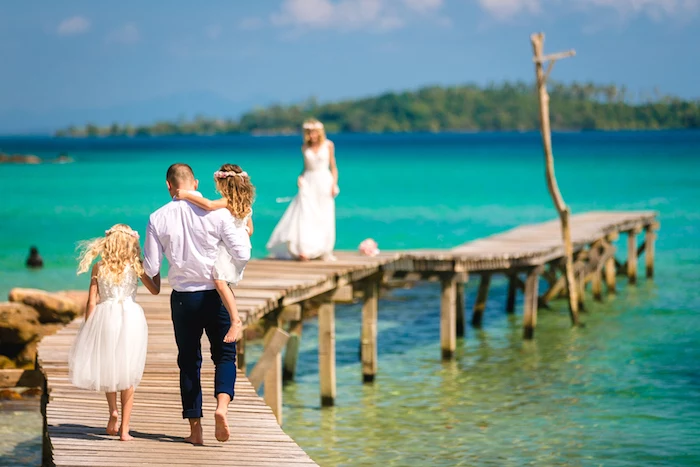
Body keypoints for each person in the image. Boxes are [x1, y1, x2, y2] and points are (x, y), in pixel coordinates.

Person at [144, 163, 251, 445]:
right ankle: (222, 408)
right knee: (225, 356)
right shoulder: (218, 214)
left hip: (183, 299)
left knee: (189, 363)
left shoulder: (157, 218)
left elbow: (152, 266)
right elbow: (241, 252)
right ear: (196, 182)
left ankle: (195, 431)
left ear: (169, 186)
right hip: (216, 296)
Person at [69, 224, 161, 441]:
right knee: (128, 372)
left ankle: (113, 412)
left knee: (109, 367)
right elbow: (155, 290)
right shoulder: (136, 267)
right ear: (131, 244)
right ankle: (125, 430)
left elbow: (92, 301)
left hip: (105, 317)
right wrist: (156, 271)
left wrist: (89, 326)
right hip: (131, 317)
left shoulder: (99, 268)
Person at [176, 163, 255, 344]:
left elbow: (209, 205)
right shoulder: (246, 205)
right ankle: (231, 313)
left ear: (223, 184)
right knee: (224, 282)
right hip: (244, 247)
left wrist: (186, 195)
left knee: (219, 282)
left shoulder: (227, 202)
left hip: (231, 249)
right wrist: (239, 232)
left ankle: (235, 320)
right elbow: (250, 229)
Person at [266, 118, 339, 261]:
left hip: (324, 181)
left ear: (319, 132)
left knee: (324, 215)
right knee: (306, 215)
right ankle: (305, 249)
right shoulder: (305, 147)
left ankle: (322, 248)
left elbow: (333, 167)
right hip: (309, 182)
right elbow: (306, 168)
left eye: (313, 132)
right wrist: (300, 177)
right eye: (308, 132)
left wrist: (334, 184)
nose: (311, 135)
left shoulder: (329, 145)